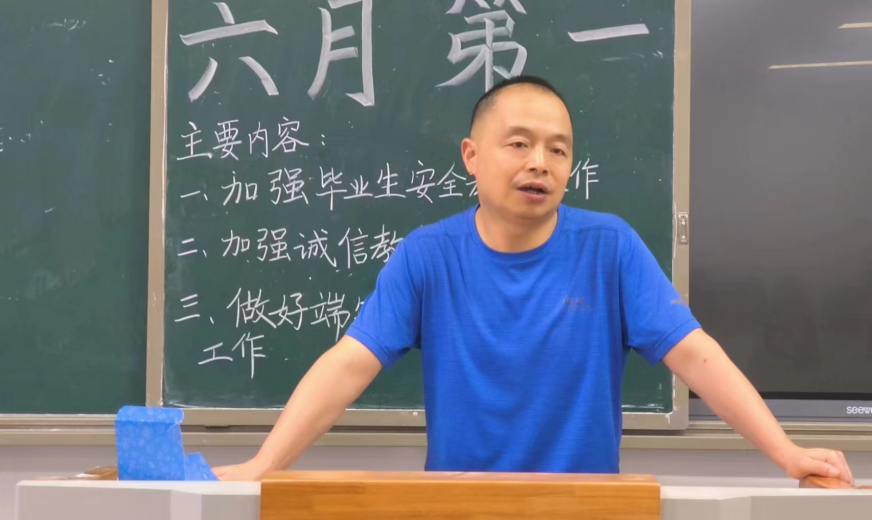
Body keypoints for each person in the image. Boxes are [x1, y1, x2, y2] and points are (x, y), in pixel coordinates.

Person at [215, 75, 854, 484]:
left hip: (585, 508)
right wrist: (263, 465)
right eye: (518, 144)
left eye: (558, 148)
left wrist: (788, 453)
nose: (540, 163)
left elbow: (697, 356)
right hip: (459, 507)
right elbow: (347, 366)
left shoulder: (609, 247)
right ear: (472, 156)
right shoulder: (427, 256)